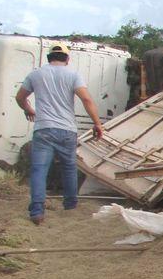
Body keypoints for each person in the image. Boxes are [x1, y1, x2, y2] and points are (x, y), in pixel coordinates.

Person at [14, 44, 105, 225]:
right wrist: (97, 123)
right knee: (69, 168)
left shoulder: (36, 74)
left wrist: (29, 109)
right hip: (67, 129)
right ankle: (70, 205)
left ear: (49, 58)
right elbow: (86, 99)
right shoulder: (73, 75)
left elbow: (20, 97)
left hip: (43, 128)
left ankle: (37, 212)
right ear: (67, 59)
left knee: (39, 170)